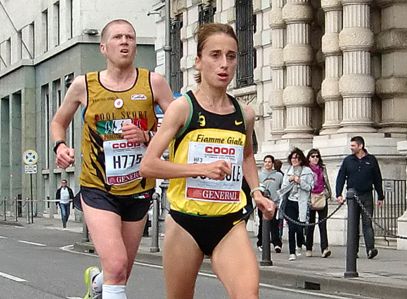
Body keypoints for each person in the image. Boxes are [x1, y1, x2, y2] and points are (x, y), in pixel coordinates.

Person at [139, 23, 275, 299]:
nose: (224, 64)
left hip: (229, 222)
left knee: (248, 295)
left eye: (231, 56)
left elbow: (246, 154)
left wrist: (257, 191)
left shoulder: (244, 113)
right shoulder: (182, 109)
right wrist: (201, 169)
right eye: (215, 55)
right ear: (198, 62)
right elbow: (149, 165)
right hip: (185, 222)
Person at [51, 19, 173, 299]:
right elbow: (59, 121)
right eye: (118, 37)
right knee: (117, 265)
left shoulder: (153, 82)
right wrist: (60, 146)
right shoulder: (84, 86)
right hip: (98, 188)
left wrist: (147, 136)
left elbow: (176, 126)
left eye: (130, 37)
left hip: (139, 187)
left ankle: (96, 284)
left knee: (120, 272)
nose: (125, 42)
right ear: (104, 48)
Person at [336, 136, 384, 259]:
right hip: (352, 196)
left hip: (367, 195)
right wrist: (338, 194)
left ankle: (370, 249)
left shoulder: (371, 160)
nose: (351, 148)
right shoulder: (348, 160)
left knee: (367, 223)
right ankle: (353, 250)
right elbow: (341, 177)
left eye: (353, 146)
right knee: (353, 224)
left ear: (360, 146)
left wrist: (380, 196)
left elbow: (377, 178)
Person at [279, 148, 314, 261]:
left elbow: (310, 187)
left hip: (301, 202)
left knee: (300, 227)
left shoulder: (307, 171)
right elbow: (283, 188)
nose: (295, 160)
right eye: (293, 158)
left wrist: (299, 181)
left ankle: (300, 244)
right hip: (290, 201)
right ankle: (292, 252)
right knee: (291, 227)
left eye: (297, 158)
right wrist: (289, 180)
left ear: (301, 159)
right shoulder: (288, 171)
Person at [305, 149, 332, 258]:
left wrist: (328, 194)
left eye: (317, 156)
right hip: (310, 197)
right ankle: (308, 247)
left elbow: (326, 181)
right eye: (312, 156)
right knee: (310, 225)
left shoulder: (322, 168)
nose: (315, 158)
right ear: (309, 158)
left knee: (322, 224)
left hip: (321, 196)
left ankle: (324, 248)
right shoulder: (306, 170)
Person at [257, 155, 283, 253]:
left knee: (274, 223)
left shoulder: (279, 175)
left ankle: (277, 243)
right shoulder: (259, 175)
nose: (267, 164)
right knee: (262, 223)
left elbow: (281, 189)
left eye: (269, 162)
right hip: (262, 202)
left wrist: (279, 201)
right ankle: (261, 242)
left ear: (272, 164)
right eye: (266, 162)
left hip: (274, 202)